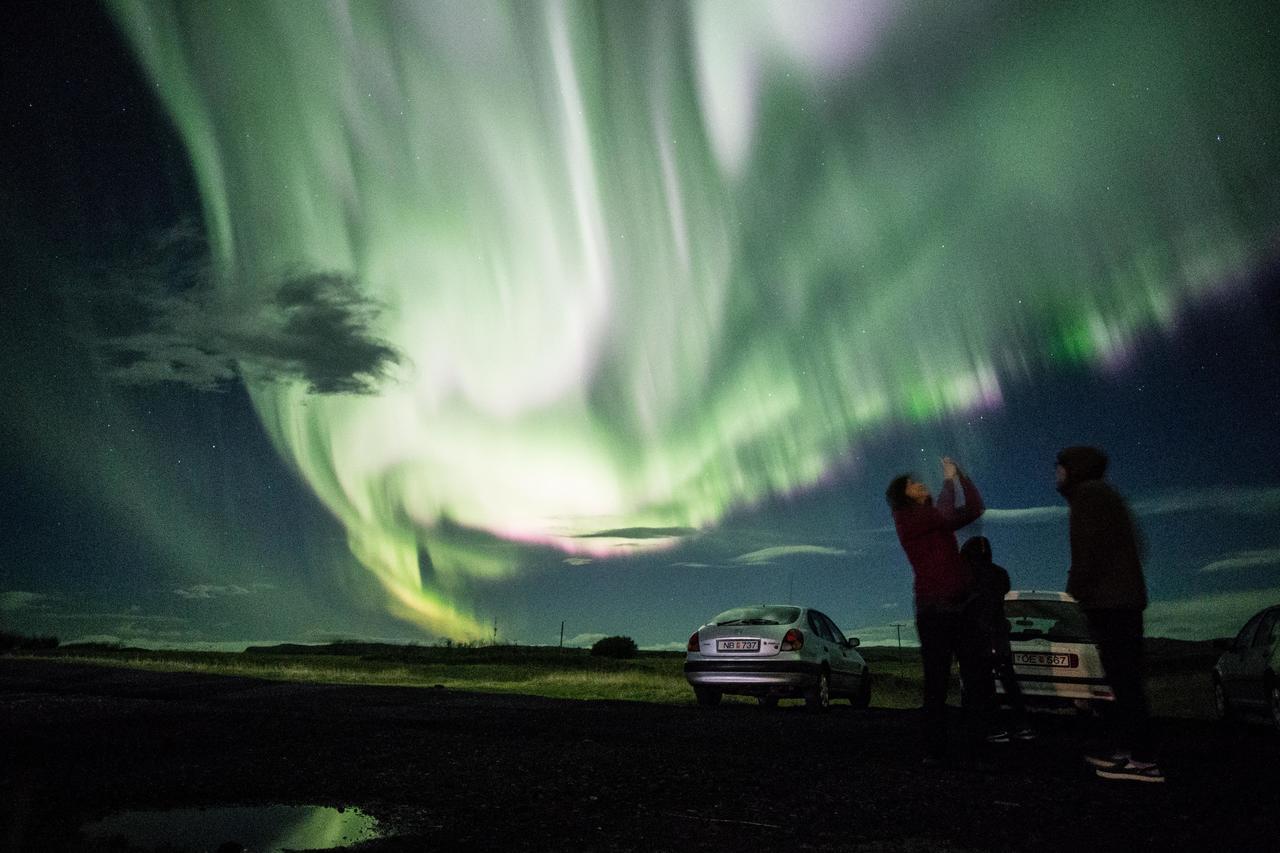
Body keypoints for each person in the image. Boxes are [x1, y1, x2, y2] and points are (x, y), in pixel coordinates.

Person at [1055, 446, 1163, 783]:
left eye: (1059, 467)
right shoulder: (1103, 495)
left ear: (1074, 469)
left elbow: (1088, 552)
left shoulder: (1088, 497)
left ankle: (1143, 761)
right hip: (1121, 599)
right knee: (1124, 681)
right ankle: (1129, 752)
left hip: (1111, 603)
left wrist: (1075, 588)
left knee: (1125, 682)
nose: (1056, 474)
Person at [886, 456, 989, 764]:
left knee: (976, 677)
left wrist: (962, 476)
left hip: (961, 605)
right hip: (934, 610)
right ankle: (935, 750)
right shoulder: (908, 519)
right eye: (912, 484)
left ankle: (975, 747)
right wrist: (948, 479)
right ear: (905, 496)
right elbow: (946, 512)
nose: (920, 483)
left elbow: (975, 508)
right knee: (937, 681)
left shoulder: (931, 517)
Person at [960, 535, 1034, 742]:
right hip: (998, 635)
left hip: (980, 636)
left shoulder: (970, 577)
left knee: (983, 685)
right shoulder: (1000, 574)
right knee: (1008, 682)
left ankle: (993, 727)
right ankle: (1022, 725)